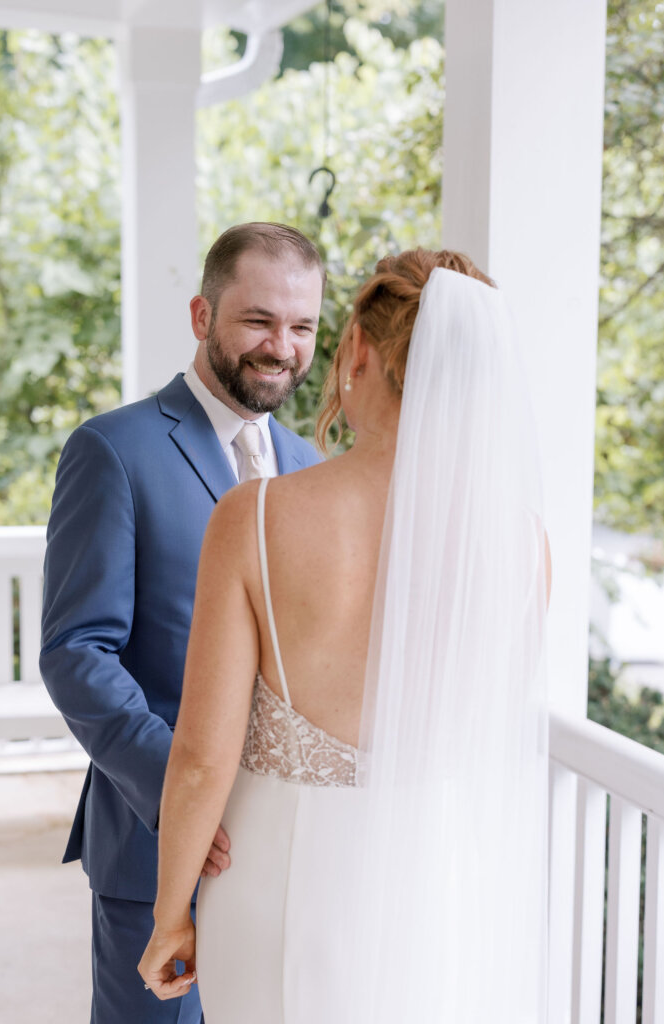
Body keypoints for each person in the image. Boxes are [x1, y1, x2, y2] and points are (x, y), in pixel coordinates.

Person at [138, 247, 552, 1024]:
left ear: (358, 348)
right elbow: (483, 729)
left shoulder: (258, 517)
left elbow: (200, 759)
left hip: (280, 878)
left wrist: (169, 915)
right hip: (437, 883)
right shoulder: (522, 545)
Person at [40, 222, 325, 1024]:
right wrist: (183, 788)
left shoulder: (311, 467)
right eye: (258, 320)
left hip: (283, 841)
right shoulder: (112, 449)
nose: (281, 346)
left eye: (301, 327)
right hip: (152, 832)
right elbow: (76, 652)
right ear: (202, 316)